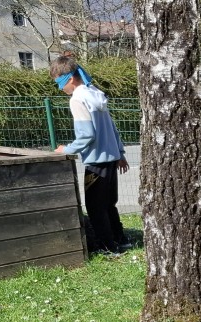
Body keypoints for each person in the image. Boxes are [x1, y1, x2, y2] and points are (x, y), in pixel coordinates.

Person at [50, 53, 130, 254]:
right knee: (109, 204)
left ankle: (108, 247)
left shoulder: (77, 99)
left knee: (95, 207)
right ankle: (120, 240)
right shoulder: (95, 93)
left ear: (70, 79)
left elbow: (86, 135)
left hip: (96, 162)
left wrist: (66, 149)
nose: (60, 89)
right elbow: (112, 128)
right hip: (111, 159)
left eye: (59, 84)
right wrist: (120, 153)